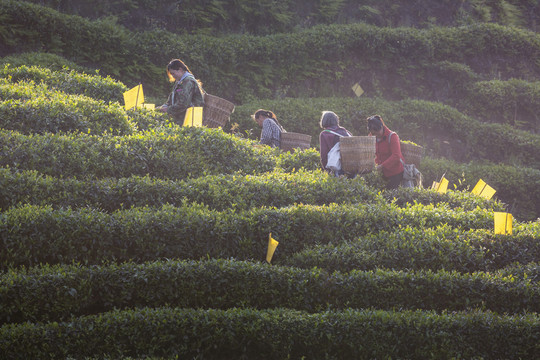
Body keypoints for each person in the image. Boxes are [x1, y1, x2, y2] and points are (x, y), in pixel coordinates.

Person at [158, 59, 205, 125]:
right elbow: (171, 99)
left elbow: (183, 104)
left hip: (190, 119)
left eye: (173, 73)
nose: (173, 76)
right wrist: (162, 107)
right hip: (181, 117)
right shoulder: (180, 82)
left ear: (180, 70)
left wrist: (168, 110)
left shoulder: (188, 81)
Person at [366, 114, 405, 189]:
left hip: (395, 173)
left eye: (377, 132)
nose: (375, 135)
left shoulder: (392, 136)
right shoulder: (371, 137)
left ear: (381, 127)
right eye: (373, 133)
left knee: (392, 197)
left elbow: (396, 156)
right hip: (381, 173)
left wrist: (382, 166)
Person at [319, 111, 352, 175]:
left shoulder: (325, 134)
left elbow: (324, 155)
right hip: (350, 166)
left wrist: (327, 169)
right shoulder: (345, 131)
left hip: (335, 167)